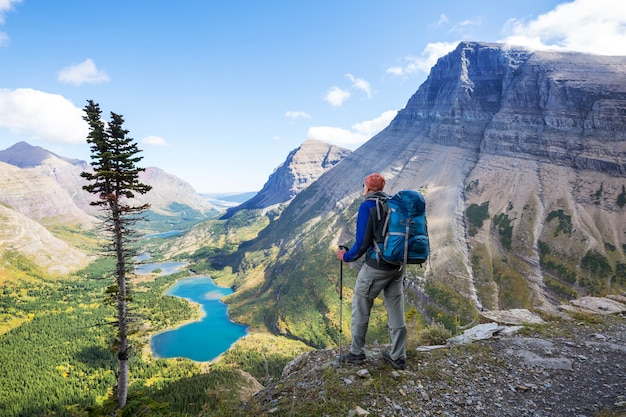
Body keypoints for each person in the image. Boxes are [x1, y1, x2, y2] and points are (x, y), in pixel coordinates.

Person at [336, 173, 407, 370]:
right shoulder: (394, 204)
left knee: (361, 305)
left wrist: (346, 256)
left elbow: (362, 243)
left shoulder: (367, 206)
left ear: (367, 188)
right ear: (382, 188)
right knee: (395, 307)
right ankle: (398, 356)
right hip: (397, 265)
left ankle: (356, 353)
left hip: (376, 267)